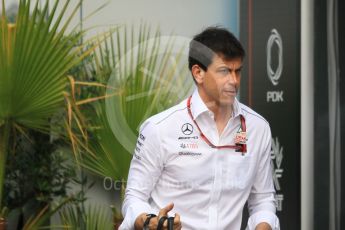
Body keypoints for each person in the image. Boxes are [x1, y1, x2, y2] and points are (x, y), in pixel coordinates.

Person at [119, 26, 280, 230]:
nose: (234, 81)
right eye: (224, 71)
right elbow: (134, 198)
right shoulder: (159, 128)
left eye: (237, 71)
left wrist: (263, 225)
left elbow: (262, 200)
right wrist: (150, 221)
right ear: (198, 73)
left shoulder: (258, 128)